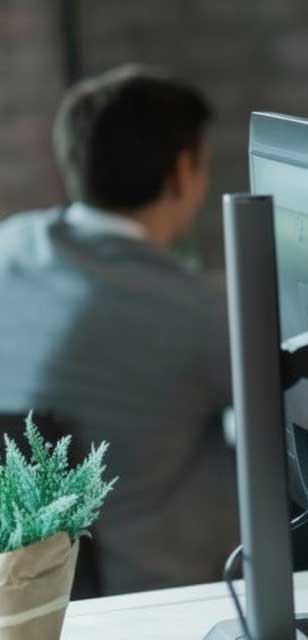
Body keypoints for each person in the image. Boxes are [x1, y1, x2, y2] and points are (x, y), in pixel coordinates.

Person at [0, 65, 238, 594]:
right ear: (183, 173)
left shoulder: (11, 245)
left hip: (29, 592)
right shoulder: (194, 311)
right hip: (145, 593)